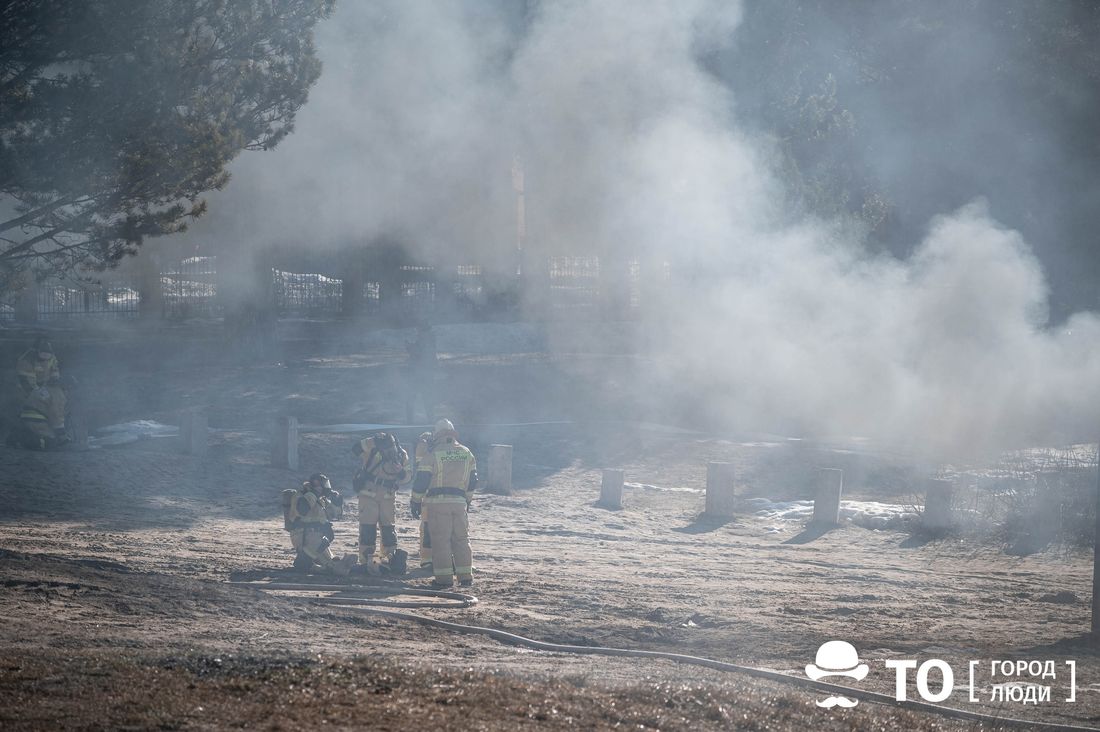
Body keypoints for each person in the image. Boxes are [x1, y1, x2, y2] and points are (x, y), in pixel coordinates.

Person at [410, 419, 477, 588]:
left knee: (441, 541)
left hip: (437, 504)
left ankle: (444, 579)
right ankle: (465, 577)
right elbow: (473, 481)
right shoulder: (466, 452)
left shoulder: (433, 454)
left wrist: (415, 501)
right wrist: (467, 500)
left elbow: (421, 481)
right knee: (461, 539)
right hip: (460, 503)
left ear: (437, 435)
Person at [352, 432, 409, 571]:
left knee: (389, 529)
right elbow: (356, 448)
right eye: (386, 447)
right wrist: (374, 440)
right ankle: (368, 560)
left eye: (392, 447)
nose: (390, 451)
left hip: (388, 497)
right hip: (368, 495)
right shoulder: (372, 451)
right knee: (368, 529)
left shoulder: (401, 455)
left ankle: (389, 557)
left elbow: (407, 477)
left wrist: (401, 472)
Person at [282, 473, 351, 575]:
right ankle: (303, 561)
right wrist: (313, 495)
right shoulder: (303, 496)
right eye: (325, 484)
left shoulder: (320, 499)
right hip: (304, 536)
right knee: (313, 559)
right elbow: (302, 510)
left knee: (330, 561)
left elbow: (335, 514)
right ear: (317, 484)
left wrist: (337, 502)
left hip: (317, 537)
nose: (327, 488)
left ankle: (333, 566)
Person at [15, 338, 68, 448]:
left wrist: (54, 380)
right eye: (42, 356)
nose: (44, 359)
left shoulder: (52, 357)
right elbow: (26, 383)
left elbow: (54, 369)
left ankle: (20, 436)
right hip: (26, 388)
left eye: (47, 356)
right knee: (28, 408)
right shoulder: (26, 360)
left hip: (43, 386)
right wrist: (39, 394)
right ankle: (18, 435)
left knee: (48, 404)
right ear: (37, 352)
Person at [411, 430, 435, 571]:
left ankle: (427, 560)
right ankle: (430, 560)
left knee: (427, 528)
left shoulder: (424, 446)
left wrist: (415, 500)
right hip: (435, 495)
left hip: (429, 496)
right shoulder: (428, 446)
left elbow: (421, 473)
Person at [404, 322, 437, 423]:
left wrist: (409, 346)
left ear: (422, 330)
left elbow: (419, 353)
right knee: (427, 399)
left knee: (411, 398)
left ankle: (410, 422)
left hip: (419, 374)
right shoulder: (429, 338)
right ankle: (430, 420)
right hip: (425, 373)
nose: (417, 332)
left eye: (418, 329)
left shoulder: (425, 339)